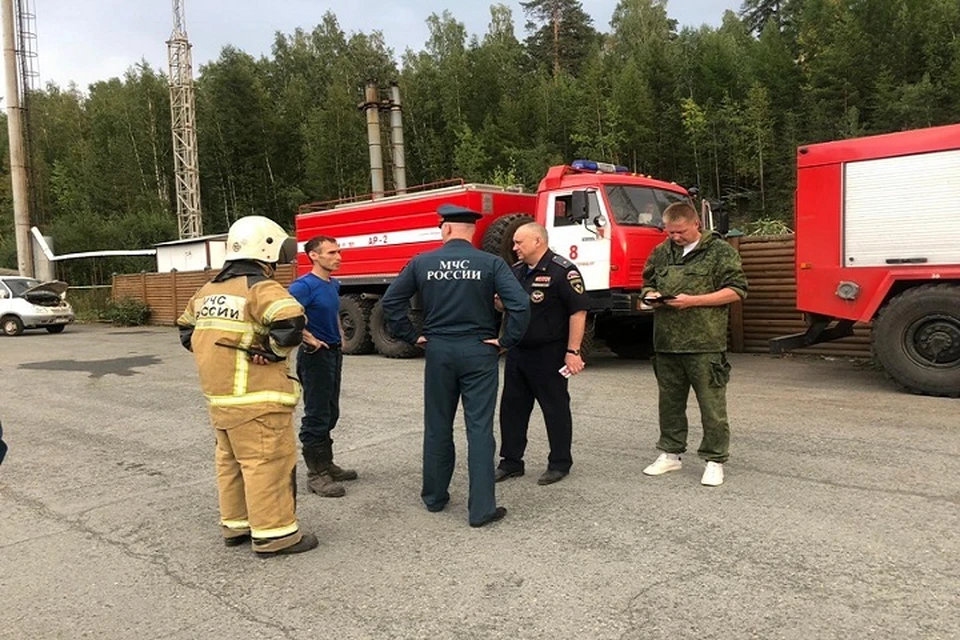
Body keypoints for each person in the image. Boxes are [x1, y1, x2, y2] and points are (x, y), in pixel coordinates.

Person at [380, 204, 530, 528]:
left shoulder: (422, 262)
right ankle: (481, 510)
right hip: (479, 351)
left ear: (445, 229)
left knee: (437, 426)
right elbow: (520, 305)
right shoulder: (491, 263)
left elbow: (391, 302)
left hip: (438, 351)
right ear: (472, 231)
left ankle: (434, 498)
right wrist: (507, 341)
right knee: (479, 429)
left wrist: (411, 336)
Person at [177, 215, 318, 556]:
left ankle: (236, 525)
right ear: (266, 248)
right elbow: (291, 320)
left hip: (221, 398)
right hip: (257, 399)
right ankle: (275, 535)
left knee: (231, 463)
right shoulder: (261, 287)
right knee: (267, 463)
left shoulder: (208, 290)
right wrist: (271, 350)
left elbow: (186, 332)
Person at [639, 201, 748, 487]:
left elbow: (736, 290)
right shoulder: (662, 252)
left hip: (704, 342)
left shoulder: (719, 251)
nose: (675, 237)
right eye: (670, 232)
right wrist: (651, 295)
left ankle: (714, 460)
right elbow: (647, 282)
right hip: (666, 342)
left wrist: (693, 301)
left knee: (712, 406)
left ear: (696, 224)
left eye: (681, 232)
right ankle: (671, 454)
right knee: (670, 404)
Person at [495, 222, 590, 486]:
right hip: (518, 351)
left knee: (555, 408)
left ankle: (559, 463)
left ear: (537, 241)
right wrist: (500, 304)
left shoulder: (563, 271)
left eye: (519, 243)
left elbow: (578, 312)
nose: (514, 248)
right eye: (514, 243)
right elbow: (509, 307)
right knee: (512, 409)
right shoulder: (515, 272)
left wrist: (573, 351)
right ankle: (511, 462)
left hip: (550, 353)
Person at [289, 236, 358, 498]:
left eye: (339, 251)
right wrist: (310, 338)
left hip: (333, 352)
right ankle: (316, 475)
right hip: (314, 356)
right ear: (314, 256)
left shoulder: (333, 283)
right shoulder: (302, 286)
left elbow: (332, 313)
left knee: (330, 411)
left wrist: (339, 333)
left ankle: (327, 464)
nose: (338, 257)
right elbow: (286, 316)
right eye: (331, 252)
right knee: (316, 414)